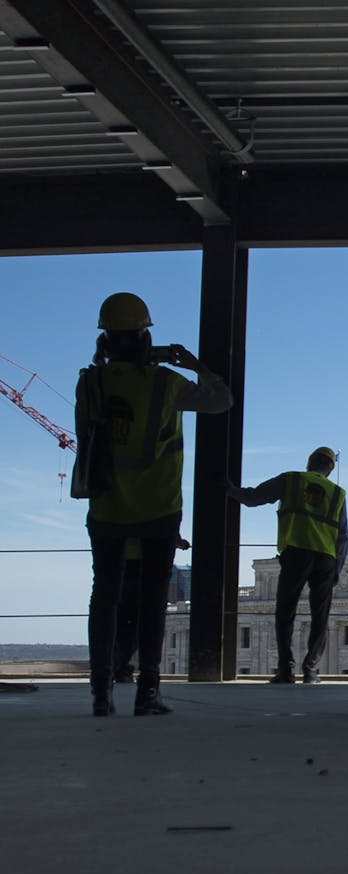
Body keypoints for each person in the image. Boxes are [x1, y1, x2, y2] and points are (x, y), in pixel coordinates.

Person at [77, 292, 232, 717]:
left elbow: (86, 444)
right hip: (158, 508)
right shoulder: (166, 383)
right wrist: (194, 364)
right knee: (151, 603)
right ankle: (147, 693)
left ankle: (101, 692)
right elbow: (221, 400)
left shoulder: (90, 382)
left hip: (107, 507)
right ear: (145, 339)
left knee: (103, 598)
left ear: (105, 340)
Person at [228, 447, 348, 685]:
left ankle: (286, 669)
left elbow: (254, 497)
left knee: (286, 612)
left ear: (309, 462)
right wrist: (337, 569)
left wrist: (231, 491)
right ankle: (311, 670)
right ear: (330, 469)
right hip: (325, 558)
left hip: (297, 552)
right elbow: (343, 536)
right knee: (320, 617)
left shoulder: (292, 480)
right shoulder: (337, 493)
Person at [113, 536, 190, 683]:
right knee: (142, 621)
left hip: (118, 559)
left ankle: (112, 666)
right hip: (145, 564)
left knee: (120, 618)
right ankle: (137, 671)